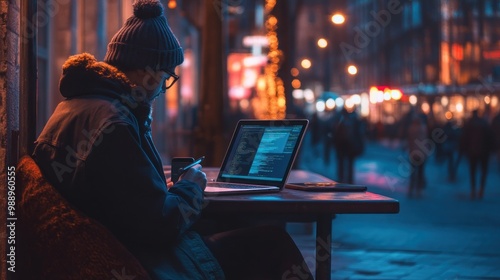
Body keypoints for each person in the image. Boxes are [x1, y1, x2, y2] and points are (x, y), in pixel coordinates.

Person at [32, 1, 313, 279]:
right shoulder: (115, 123)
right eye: (165, 77)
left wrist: (159, 188)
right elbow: (159, 228)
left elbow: (121, 194)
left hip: (117, 245)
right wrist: (190, 188)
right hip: (143, 260)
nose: (163, 89)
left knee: (235, 225)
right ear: (147, 72)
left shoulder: (75, 108)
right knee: (274, 242)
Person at [459, 109, 495, 200]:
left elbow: (463, 139)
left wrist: (463, 150)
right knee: (483, 172)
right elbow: (490, 137)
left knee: (473, 171)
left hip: (472, 152)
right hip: (484, 152)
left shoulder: (469, 124)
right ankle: (481, 190)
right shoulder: (484, 123)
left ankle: (473, 190)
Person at [332, 107, 365, 184]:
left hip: (341, 145)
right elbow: (359, 133)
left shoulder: (339, 120)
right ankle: (350, 180)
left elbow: (334, 133)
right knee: (350, 164)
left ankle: (341, 179)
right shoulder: (355, 120)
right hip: (351, 145)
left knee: (341, 162)